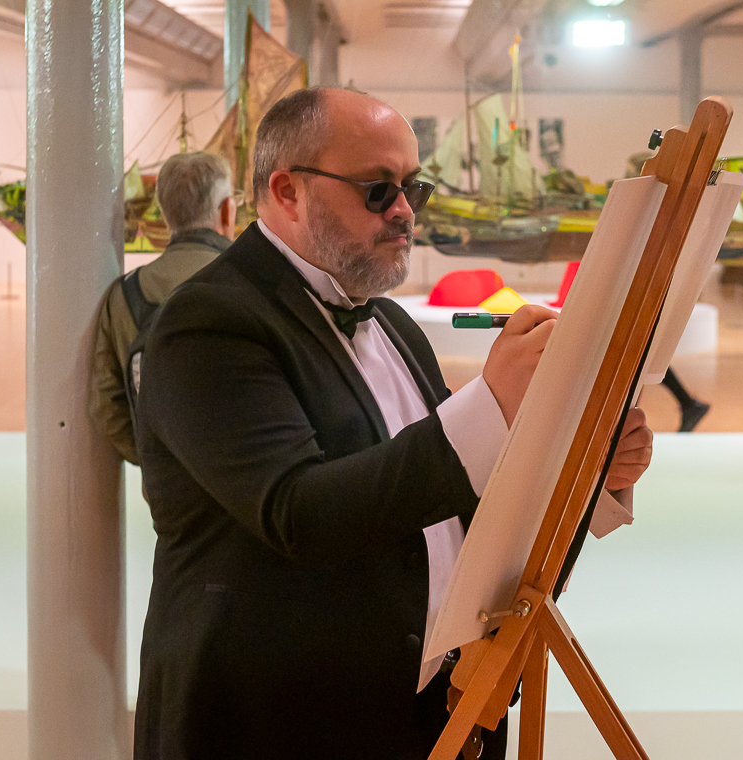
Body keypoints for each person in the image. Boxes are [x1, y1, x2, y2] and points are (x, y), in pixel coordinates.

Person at [132, 87, 653, 760]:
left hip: (434, 716)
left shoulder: (395, 323)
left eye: (416, 189)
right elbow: (298, 511)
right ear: (287, 191)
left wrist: (587, 471)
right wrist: (493, 403)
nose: (406, 212)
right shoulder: (207, 324)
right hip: (281, 727)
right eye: (379, 190)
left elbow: (452, 490)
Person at [89, 151, 236, 464]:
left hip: (168, 501)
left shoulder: (123, 294)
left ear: (165, 213)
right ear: (227, 211)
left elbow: (107, 405)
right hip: (256, 496)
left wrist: (161, 466)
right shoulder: (255, 281)